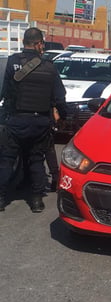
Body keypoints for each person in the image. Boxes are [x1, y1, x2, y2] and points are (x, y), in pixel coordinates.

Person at [0, 27, 67, 212]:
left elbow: (4, 92)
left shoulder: (12, 62)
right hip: (39, 123)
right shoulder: (49, 67)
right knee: (36, 160)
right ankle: (37, 200)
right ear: (38, 44)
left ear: (24, 43)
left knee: (6, 160)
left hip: (15, 120)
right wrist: (64, 117)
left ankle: (1, 198)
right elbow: (60, 97)